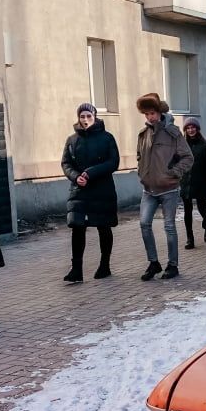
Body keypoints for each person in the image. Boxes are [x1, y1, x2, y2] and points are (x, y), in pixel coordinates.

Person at [136, 93, 194, 280]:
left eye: (152, 113)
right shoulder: (143, 134)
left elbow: (188, 157)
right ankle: (153, 263)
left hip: (168, 188)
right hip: (149, 189)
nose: (150, 117)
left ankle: (173, 264)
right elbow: (140, 156)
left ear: (159, 112)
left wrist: (173, 172)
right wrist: (142, 173)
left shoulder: (173, 133)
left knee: (169, 226)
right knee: (144, 224)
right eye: (146, 114)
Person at [60, 103, 120, 282]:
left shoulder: (107, 138)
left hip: (102, 189)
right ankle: (76, 269)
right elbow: (66, 163)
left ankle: (105, 265)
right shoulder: (72, 140)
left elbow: (113, 162)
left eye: (88, 116)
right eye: (82, 116)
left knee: (104, 226)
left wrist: (91, 172)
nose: (85, 120)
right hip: (80, 190)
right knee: (77, 227)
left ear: (94, 116)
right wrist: (76, 176)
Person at [179, 117, 206, 249]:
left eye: (193, 127)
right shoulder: (182, 145)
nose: (191, 130)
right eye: (188, 128)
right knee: (187, 211)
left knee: (202, 209)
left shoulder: (205, 146)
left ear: (197, 129)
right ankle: (190, 239)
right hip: (185, 183)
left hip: (201, 182)